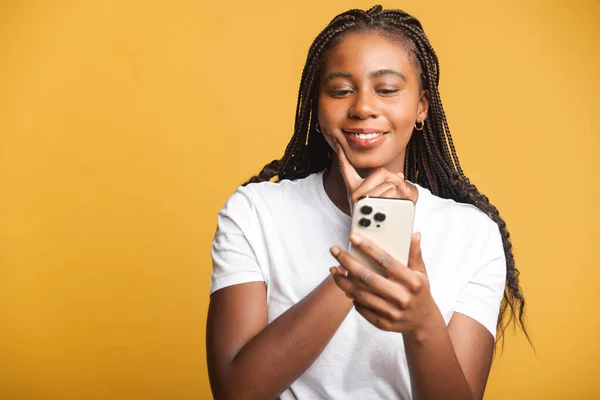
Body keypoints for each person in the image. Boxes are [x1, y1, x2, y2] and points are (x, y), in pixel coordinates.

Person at [206, 5, 527, 400]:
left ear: (422, 106)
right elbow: (235, 392)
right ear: (316, 106)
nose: (362, 108)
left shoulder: (473, 234)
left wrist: (422, 321)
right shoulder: (254, 212)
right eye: (340, 90)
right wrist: (372, 245)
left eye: (388, 90)